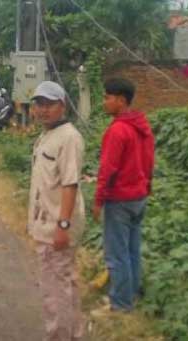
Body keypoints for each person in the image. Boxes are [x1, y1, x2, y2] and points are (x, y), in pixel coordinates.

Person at [28, 81, 85, 340]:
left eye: (49, 104)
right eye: (39, 104)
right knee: (65, 284)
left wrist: (63, 227)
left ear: (62, 105)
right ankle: (74, 334)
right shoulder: (48, 134)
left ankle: (59, 335)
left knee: (54, 290)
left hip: (57, 226)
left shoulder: (69, 138)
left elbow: (70, 184)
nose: (43, 109)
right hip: (45, 223)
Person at [92, 78, 155, 312]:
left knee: (117, 254)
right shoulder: (142, 126)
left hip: (119, 200)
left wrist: (98, 201)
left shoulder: (117, 130)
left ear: (121, 100)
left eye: (107, 97)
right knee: (132, 250)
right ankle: (131, 295)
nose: (104, 102)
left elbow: (108, 170)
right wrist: (147, 187)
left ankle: (120, 305)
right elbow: (149, 162)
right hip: (139, 197)